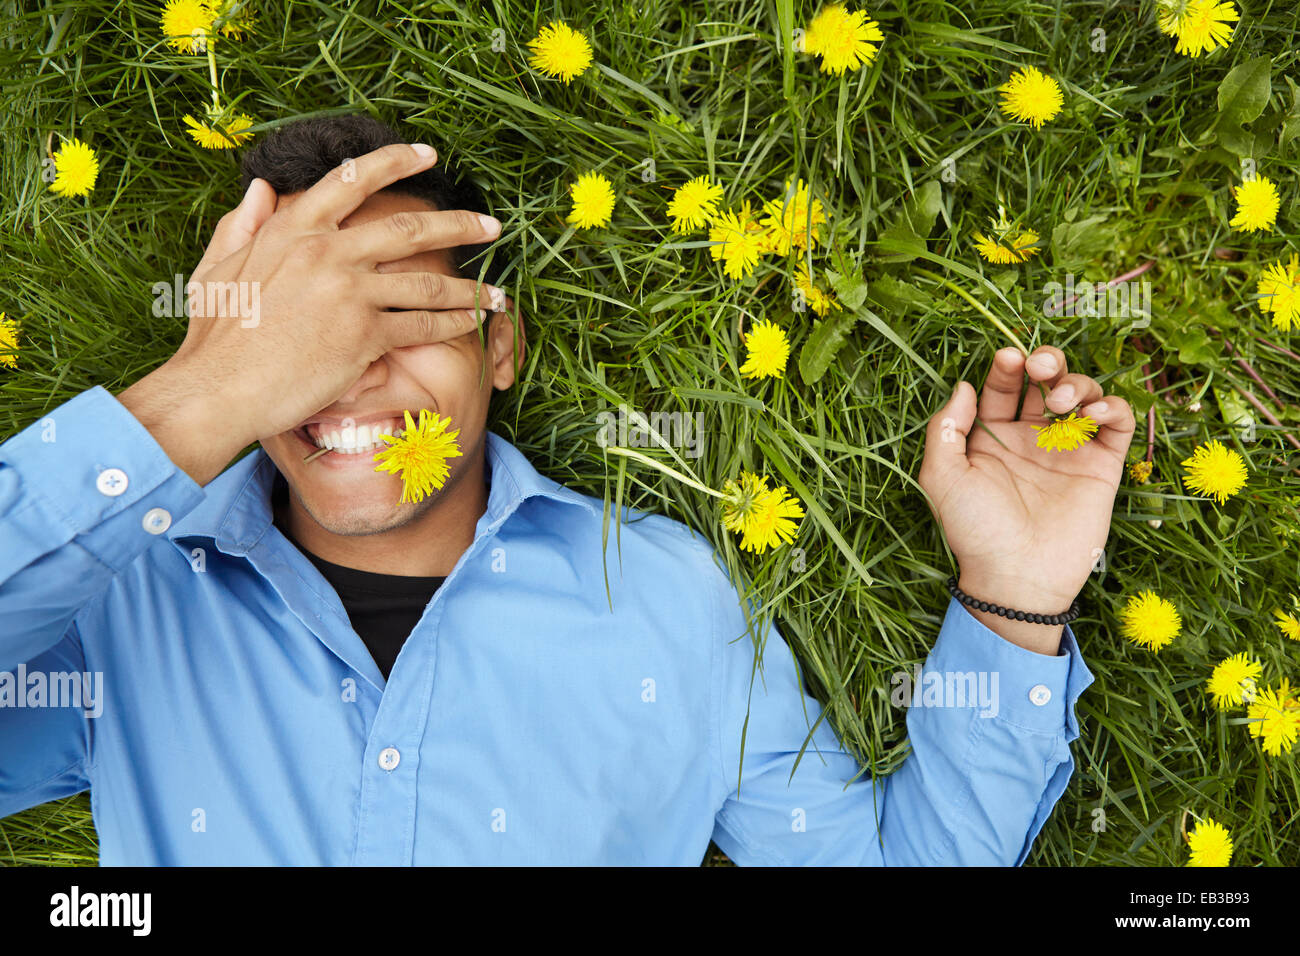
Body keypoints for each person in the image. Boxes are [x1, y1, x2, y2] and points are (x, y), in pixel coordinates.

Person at [0, 115, 1134, 865]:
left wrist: (1010, 598)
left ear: (500, 346)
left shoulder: (667, 601)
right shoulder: (115, 593)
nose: (347, 371)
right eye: (297, 342)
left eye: (403, 315)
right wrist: (202, 396)